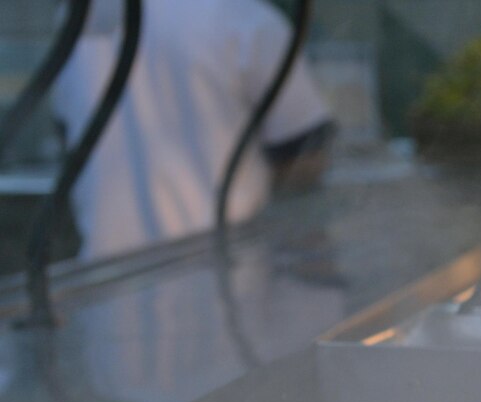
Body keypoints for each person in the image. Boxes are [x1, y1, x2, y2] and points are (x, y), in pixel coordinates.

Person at [49, 0, 335, 262]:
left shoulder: (82, 18)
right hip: (223, 271)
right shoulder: (240, 16)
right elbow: (304, 155)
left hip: (105, 272)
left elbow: (69, 135)